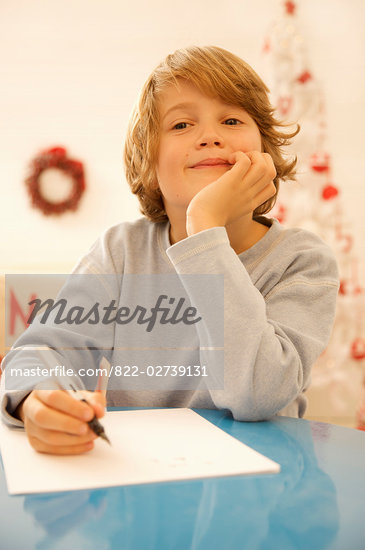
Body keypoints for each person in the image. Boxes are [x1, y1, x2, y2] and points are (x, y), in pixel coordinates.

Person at [0, 45, 339, 455]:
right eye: (180, 125)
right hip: (141, 480)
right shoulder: (120, 252)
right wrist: (38, 398)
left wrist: (204, 230)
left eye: (232, 119)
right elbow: (42, 350)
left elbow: (256, 394)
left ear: (265, 153)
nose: (210, 136)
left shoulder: (302, 260)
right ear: (150, 163)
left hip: (263, 489)